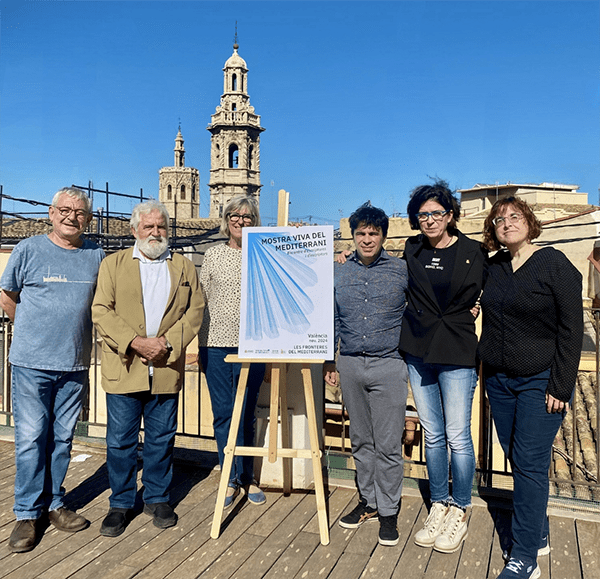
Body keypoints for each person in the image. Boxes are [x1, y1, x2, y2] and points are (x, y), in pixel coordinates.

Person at [479, 197, 583, 579]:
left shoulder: (554, 263)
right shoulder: (493, 268)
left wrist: (561, 384)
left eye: (514, 216)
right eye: (499, 219)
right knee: (516, 458)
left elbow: (573, 330)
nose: (507, 223)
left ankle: (523, 557)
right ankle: (537, 534)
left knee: (530, 464)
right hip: (499, 380)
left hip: (541, 381)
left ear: (529, 222)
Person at [0, 187, 104, 553]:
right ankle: (27, 514)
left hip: (73, 364)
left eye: (79, 212)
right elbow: (7, 296)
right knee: (30, 440)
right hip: (31, 363)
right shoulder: (28, 250)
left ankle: (54, 504)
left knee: (62, 440)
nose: (70, 216)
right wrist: (31, 331)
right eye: (64, 209)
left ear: (88, 219)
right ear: (50, 212)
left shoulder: (96, 254)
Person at [92, 200, 204, 537]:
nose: (155, 233)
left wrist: (167, 342)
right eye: (148, 227)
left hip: (166, 366)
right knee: (121, 441)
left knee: (161, 438)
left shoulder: (183, 266)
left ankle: (157, 496)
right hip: (126, 365)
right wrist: (137, 342)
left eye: (161, 227)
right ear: (134, 230)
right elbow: (101, 310)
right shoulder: (113, 264)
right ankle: (121, 502)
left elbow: (195, 310)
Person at [399, 180, 486, 553]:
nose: (429, 220)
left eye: (436, 213)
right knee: (432, 432)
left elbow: (495, 287)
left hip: (457, 349)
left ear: (450, 215)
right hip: (418, 348)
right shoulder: (411, 248)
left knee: (458, 434)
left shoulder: (474, 251)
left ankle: (460, 508)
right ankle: (438, 503)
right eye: (422, 215)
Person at [325, 202, 409, 547]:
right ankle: (369, 502)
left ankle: (388, 512)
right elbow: (329, 316)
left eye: (374, 233)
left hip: (389, 365)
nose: (367, 239)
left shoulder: (403, 270)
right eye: (361, 233)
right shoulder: (339, 270)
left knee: (388, 444)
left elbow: (429, 305)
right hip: (350, 364)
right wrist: (330, 360)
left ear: (384, 236)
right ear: (352, 236)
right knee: (361, 440)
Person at [198, 195, 266, 508]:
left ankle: (247, 476)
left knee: (247, 413)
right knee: (224, 412)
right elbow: (201, 301)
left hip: (252, 345)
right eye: (235, 216)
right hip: (214, 344)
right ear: (226, 221)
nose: (240, 220)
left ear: (255, 221)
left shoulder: (265, 254)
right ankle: (229, 476)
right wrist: (197, 345)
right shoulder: (212, 255)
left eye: (247, 216)